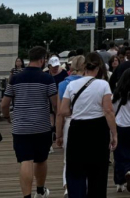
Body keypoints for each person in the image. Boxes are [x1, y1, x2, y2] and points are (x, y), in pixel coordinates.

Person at [55, 52, 118, 198]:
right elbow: (108, 111)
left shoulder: (71, 85)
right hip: (98, 128)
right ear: (98, 69)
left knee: (75, 169)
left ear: (84, 68)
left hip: (77, 128)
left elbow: (62, 111)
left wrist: (76, 111)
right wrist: (114, 134)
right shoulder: (103, 85)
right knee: (98, 171)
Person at [1, 46, 58, 198]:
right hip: (42, 126)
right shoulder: (47, 78)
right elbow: (55, 104)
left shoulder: (16, 78)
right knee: (41, 160)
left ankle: (27, 196)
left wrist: (7, 117)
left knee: (25, 160)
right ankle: (40, 191)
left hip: (21, 127)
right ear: (42, 60)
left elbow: (4, 104)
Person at [58, 56, 86, 193]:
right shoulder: (93, 83)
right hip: (87, 121)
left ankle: (67, 186)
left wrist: (58, 134)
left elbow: (60, 112)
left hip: (70, 122)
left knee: (68, 158)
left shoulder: (63, 84)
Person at [112, 70, 130, 192]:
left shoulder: (116, 93)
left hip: (119, 126)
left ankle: (119, 183)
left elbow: (112, 111)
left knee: (119, 155)